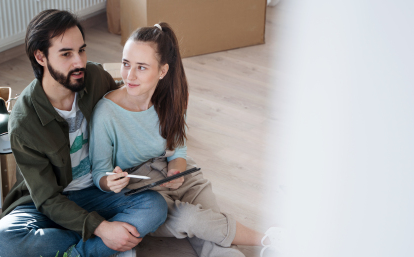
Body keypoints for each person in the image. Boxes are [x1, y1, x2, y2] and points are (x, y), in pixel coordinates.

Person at [89, 22, 284, 257]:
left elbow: (179, 149)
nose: (130, 75)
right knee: (192, 219)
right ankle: (269, 239)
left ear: (162, 71)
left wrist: (176, 169)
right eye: (126, 63)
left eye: (141, 67)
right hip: (142, 190)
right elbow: (99, 172)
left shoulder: (172, 99)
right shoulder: (106, 113)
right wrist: (110, 182)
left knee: (208, 224)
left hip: (178, 173)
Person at [0, 10, 167, 257]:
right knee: (1, 241)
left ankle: (76, 250)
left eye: (81, 50)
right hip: (47, 202)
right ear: (40, 57)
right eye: (66, 54)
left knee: (154, 207)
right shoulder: (24, 120)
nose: (79, 62)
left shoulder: (95, 78)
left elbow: (125, 115)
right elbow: (47, 199)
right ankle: (102, 245)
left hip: (97, 191)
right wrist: (102, 228)